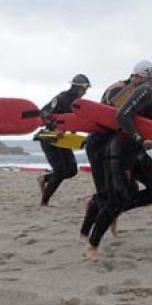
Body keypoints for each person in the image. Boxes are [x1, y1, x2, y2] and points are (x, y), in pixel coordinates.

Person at [83, 54, 152, 259]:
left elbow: (150, 125)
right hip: (119, 152)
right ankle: (92, 245)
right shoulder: (147, 90)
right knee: (116, 199)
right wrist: (139, 139)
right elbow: (122, 115)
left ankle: (106, 209)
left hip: (136, 151)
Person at [80, 60, 151, 242]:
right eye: (145, 80)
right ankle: (85, 233)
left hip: (116, 145)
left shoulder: (137, 91)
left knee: (128, 190)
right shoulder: (120, 89)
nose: (147, 85)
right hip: (99, 144)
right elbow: (116, 116)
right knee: (106, 194)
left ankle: (109, 220)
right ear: (136, 77)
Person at [37, 74, 90, 206]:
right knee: (60, 171)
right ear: (77, 88)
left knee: (71, 170)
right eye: (84, 89)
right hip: (49, 138)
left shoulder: (79, 104)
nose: (85, 92)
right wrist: (55, 128)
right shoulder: (61, 98)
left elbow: (73, 120)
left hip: (63, 140)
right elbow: (43, 113)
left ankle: (44, 178)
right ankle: (44, 202)